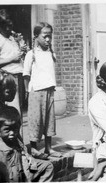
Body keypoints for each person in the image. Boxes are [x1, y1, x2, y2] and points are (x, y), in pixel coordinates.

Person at [0, 106, 54, 182]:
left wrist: (31, 161)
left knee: (48, 166)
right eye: (7, 130)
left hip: (20, 174)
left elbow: (27, 156)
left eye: (15, 129)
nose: (12, 133)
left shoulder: (18, 142)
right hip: (3, 177)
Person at [23, 22, 61, 160]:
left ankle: (48, 148)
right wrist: (28, 92)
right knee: (36, 120)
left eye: (49, 36)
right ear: (36, 36)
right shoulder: (31, 54)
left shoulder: (51, 53)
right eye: (44, 36)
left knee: (49, 119)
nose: (48, 40)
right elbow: (26, 75)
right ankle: (33, 148)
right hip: (36, 92)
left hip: (50, 91)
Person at [0, 9, 28, 115]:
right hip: (7, 79)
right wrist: (11, 59)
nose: (9, 29)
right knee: (12, 110)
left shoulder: (12, 38)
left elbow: (18, 57)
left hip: (18, 77)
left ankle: (18, 131)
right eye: (6, 26)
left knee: (20, 109)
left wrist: (22, 47)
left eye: (10, 26)